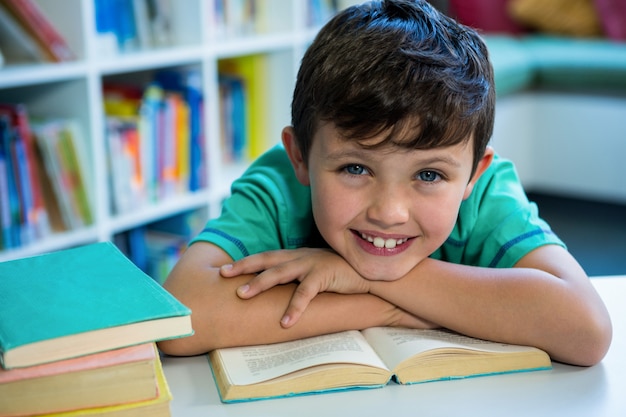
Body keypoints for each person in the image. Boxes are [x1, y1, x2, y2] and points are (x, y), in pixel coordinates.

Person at [158, 0, 611, 366]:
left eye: (429, 175)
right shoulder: (279, 183)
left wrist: (365, 280)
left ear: (474, 172)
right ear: (300, 156)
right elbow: (181, 319)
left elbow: (586, 330)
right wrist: (395, 307)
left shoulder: (489, 192)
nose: (389, 212)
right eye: (356, 169)